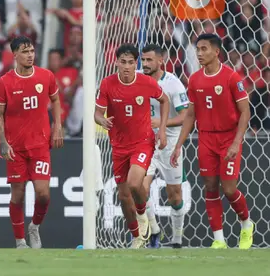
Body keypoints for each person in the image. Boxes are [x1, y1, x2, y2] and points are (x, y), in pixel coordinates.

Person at [171, 33, 254, 249]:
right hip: (206, 138)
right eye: (198, 49)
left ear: (216, 52)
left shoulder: (231, 78)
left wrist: (237, 142)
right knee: (210, 187)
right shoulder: (195, 79)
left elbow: (245, 112)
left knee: (229, 189)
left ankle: (246, 224)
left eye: (204, 49)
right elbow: (190, 114)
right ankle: (219, 240)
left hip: (228, 137)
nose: (199, 53)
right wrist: (179, 144)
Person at [94, 43, 170, 249]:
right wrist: (101, 120)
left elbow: (165, 101)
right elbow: (97, 113)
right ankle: (137, 235)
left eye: (130, 62)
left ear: (135, 63)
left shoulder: (145, 82)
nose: (126, 66)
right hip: (118, 145)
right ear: (116, 62)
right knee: (123, 195)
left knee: (135, 183)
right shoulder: (107, 84)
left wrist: (162, 130)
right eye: (123, 62)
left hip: (143, 142)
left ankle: (143, 215)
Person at [0, 36, 64, 249]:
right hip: (16, 148)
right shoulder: (5, 82)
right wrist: (3, 142)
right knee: (18, 194)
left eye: (32, 50)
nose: (30, 55)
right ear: (14, 54)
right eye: (25, 51)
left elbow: (56, 100)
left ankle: (34, 226)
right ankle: (20, 240)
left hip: (40, 145)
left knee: (43, 194)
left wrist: (57, 126)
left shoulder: (46, 76)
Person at [140, 44, 188, 249]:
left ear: (161, 61)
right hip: (145, 143)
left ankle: (177, 238)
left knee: (174, 195)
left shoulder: (173, 84)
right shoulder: (137, 80)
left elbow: (185, 116)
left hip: (168, 144)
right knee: (139, 188)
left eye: (149, 60)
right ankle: (154, 231)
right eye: (143, 60)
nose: (145, 64)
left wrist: (161, 124)